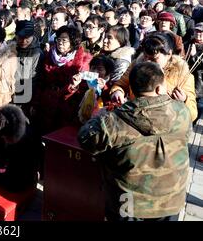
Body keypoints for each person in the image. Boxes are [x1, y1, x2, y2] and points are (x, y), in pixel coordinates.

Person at [78, 61, 191, 221]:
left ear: (131, 89)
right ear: (159, 88)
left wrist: (99, 117)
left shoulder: (113, 121)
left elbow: (85, 138)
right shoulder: (181, 111)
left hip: (128, 203)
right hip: (171, 199)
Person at [110, 32, 197, 122]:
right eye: (145, 57)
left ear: (169, 54)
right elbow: (120, 84)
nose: (147, 62)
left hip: (165, 125)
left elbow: (192, 114)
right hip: (135, 119)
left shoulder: (182, 74)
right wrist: (118, 92)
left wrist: (184, 101)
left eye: (153, 59)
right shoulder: (136, 65)